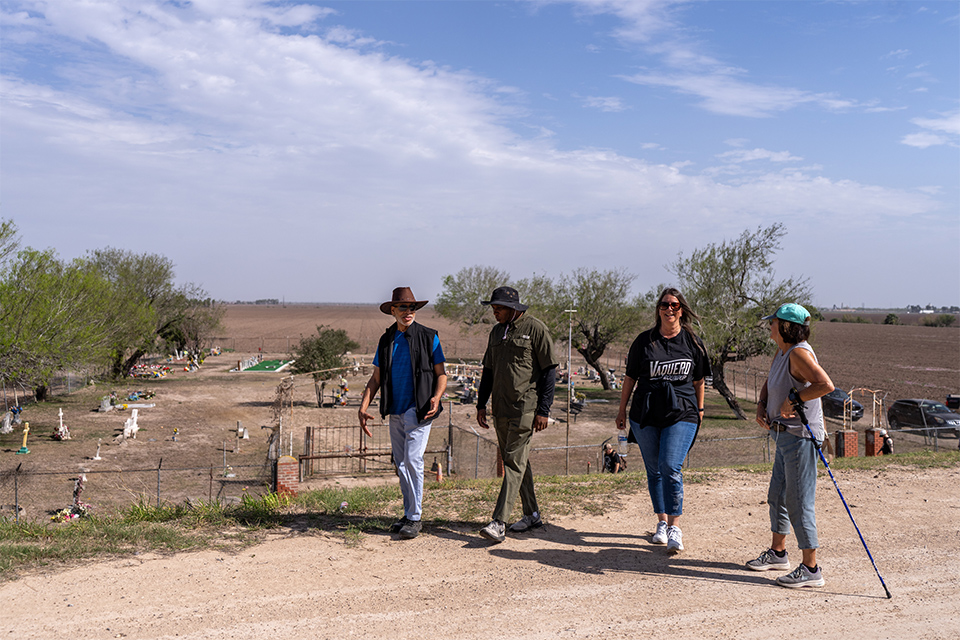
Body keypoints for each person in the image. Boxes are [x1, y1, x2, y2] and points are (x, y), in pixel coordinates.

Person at [747, 303, 834, 588]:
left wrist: (794, 399)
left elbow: (825, 385)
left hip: (800, 438)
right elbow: (772, 380)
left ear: (785, 326)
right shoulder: (783, 350)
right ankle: (778, 553)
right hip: (783, 435)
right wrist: (762, 404)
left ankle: (811, 569)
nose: (769, 326)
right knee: (778, 495)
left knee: (798, 502)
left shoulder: (798, 352)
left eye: (773, 322)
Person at [616, 288, 707, 554]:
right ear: (658, 309)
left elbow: (699, 379)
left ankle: (675, 526)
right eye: (665, 305)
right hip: (646, 413)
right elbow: (630, 378)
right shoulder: (645, 341)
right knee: (654, 470)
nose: (670, 309)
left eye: (675, 305)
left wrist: (700, 409)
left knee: (670, 466)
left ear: (682, 310)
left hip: (682, 411)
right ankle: (662, 522)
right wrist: (621, 410)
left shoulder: (692, 342)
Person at [359, 287, 447, 540]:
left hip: (419, 410)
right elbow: (375, 379)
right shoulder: (386, 340)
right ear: (393, 311)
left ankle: (415, 517)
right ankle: (409, 513)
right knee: (401, 464)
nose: (409, 312)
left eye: (412, 308)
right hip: (395, 410)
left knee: (412, 461)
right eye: (403, 308)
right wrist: (363, 407)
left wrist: (436, 396)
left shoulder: (429, 337)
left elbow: (441, 374)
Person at [476, 286, 559, 543]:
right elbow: (488, 371)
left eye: (498, 308)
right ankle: (532, 514)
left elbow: (549, 371)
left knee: (512, 462)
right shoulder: (495, 332)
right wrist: (481, 405)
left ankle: (498, 522)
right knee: (518, 460)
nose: (494, 312)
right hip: (500, 408)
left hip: (525, 406)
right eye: (493, 307)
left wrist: (544, 410)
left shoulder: (535, 329)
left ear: (514, 308)